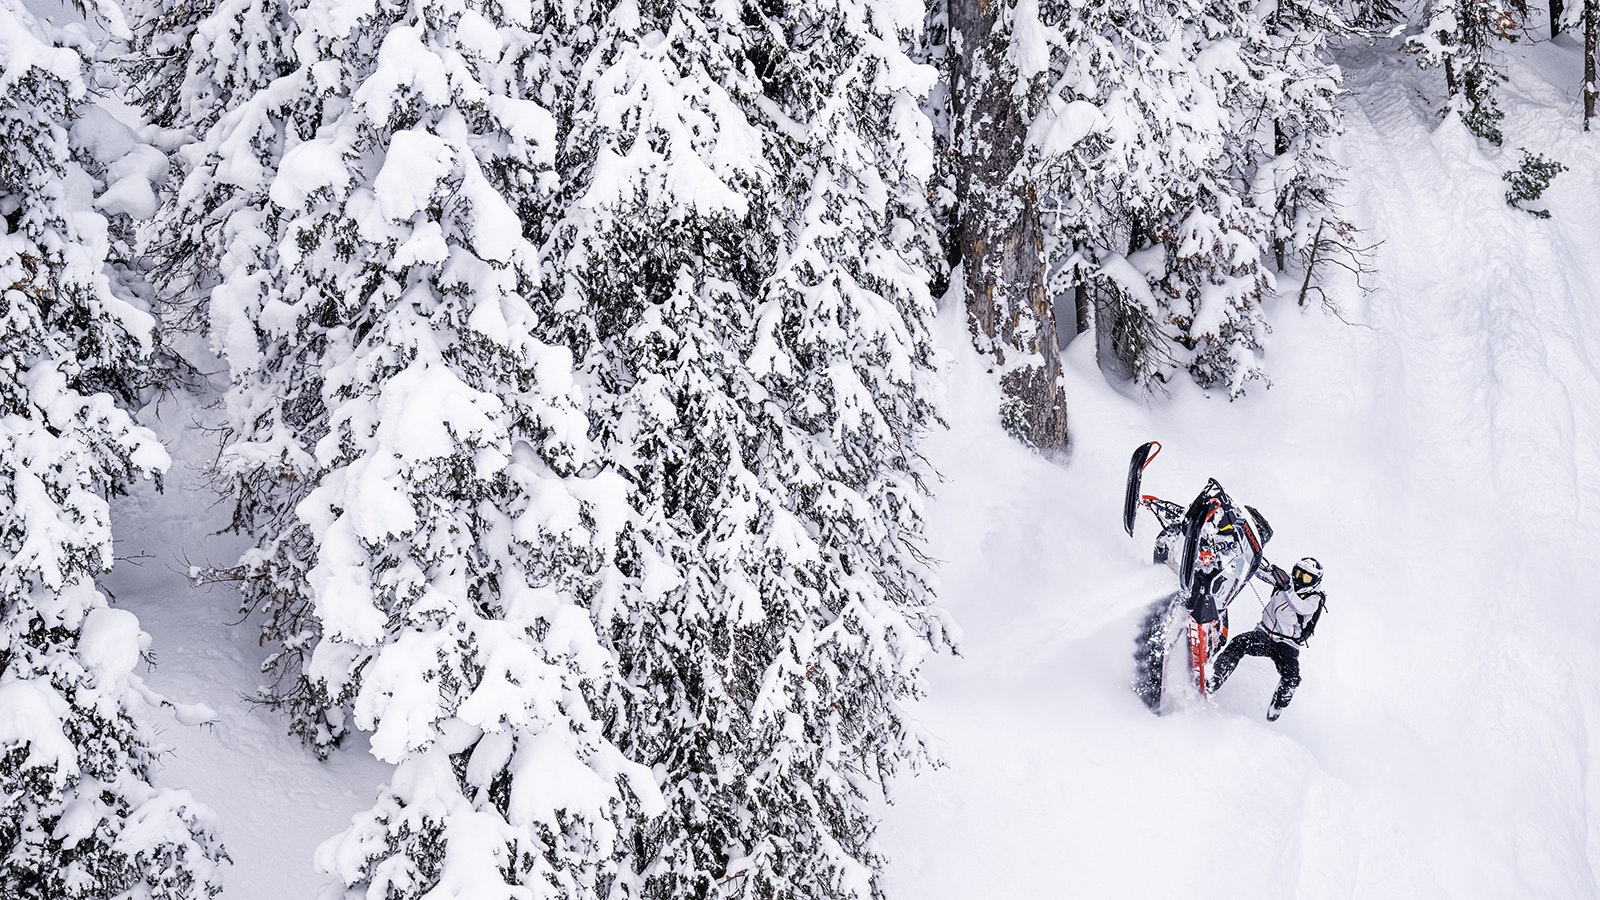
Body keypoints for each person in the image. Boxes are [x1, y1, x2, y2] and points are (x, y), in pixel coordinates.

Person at [1208, 557, 1326, 721]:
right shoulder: (1286, 583)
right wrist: (1249, 561)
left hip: (1287, 644)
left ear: (1315, 581)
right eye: (1298, 573)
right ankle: (1215, 678)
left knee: (1292, 677)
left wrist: (1286, 587)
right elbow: (1261, 574)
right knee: (1239, 643)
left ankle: (1278, 703)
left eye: (1306, 578)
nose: (1299, 579)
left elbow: (1300, 606)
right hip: (1264, 635)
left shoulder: (1315, 598)